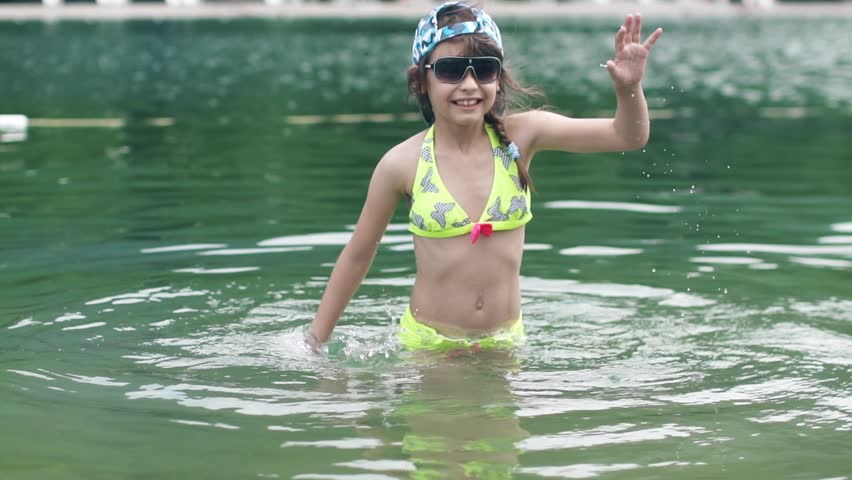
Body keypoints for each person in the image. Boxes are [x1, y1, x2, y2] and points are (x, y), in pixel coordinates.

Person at [307, 2, 662, 352]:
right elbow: (358, 255)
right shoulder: (402, 163)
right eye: (450, 70)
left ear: (499, 78)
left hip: (505, 342)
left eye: (484, 69)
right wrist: (315, 342)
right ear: (420, 80)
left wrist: (629, 89)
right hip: (429, 346)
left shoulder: (524, 136)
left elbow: (627, 137)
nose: (469, 84)